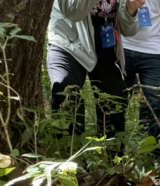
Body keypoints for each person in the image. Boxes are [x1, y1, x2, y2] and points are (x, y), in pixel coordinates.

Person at [47, 0, 143, 139]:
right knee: (66, 91)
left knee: (115, 100)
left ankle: (113, 158)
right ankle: (69, 153)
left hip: (105, 40)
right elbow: (72, 12)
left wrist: (131, 8)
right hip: (68, 40)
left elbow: (129, 30)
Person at [122, 0, 160, 138]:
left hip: (153, 50)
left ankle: (156, 154)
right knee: (117, 100)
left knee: (158, 102)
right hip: (122, 45)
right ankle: (113, 152)